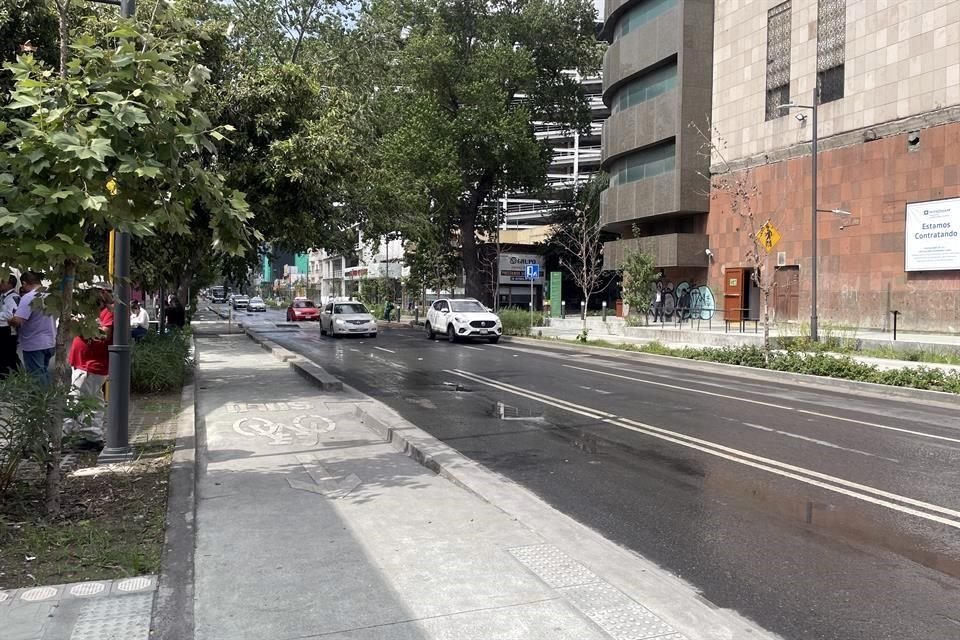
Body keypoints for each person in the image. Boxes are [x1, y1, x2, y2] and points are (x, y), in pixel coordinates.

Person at [64, 283, 114, 446]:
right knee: (93, 400)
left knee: (76, 400)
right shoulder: (94, 311)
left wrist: (81, 326)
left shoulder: (109, 312)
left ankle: (63, 437)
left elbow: (103, 335)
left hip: (91, 365)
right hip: (84, 363)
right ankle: (92, 436)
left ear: (103, 293)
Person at [8, 271, 56, 384]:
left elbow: (18, 321)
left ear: (24, 283)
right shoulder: (51, 295)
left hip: (34, 343)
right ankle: (48, 397)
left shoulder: (29, 297)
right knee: (44, 371)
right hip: (50, 340)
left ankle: (40, 400)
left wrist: (10, 320)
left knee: (37, 377)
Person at [0, 273, 21, 377]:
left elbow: (11, 314)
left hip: (8, 331)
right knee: (8, 357)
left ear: (10, 284)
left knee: (6, 357)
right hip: (4, 330)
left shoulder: (13, 297)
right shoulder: (3, 296)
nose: (0, 284)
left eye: (3, 282)